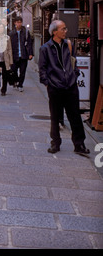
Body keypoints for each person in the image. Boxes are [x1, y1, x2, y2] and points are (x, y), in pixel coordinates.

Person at [38, 19, 90, 156]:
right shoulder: (45, 48)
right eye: (63, 29)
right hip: (55, 87)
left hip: (71, 87)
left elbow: (74, 62)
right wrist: (48, 83)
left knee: (75, 116)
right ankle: (55, 143)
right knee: (55, 117)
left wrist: (75, 75)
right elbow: (42, 69)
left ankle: (79, 144)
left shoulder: (69, 45)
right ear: (55, 32)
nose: (65, 31)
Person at [9, 16, 33, 92]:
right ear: (15, 23)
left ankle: (20, 84)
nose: (19, 24)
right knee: (14, 70)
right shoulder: (11, 33)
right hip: (14, 55)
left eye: (20, 22)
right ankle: (16, 80)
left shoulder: (25, 32)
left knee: (23, 71)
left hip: (23, 55)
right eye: (17, 22)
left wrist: (30, 53)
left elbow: (29, 43)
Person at [0, 21, 13, 96]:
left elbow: (10, 49)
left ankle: (3, 90)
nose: (1, 29)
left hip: (5, 59)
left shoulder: (7, 38)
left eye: (2, 28)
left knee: (5, 75)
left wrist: (11, 60)